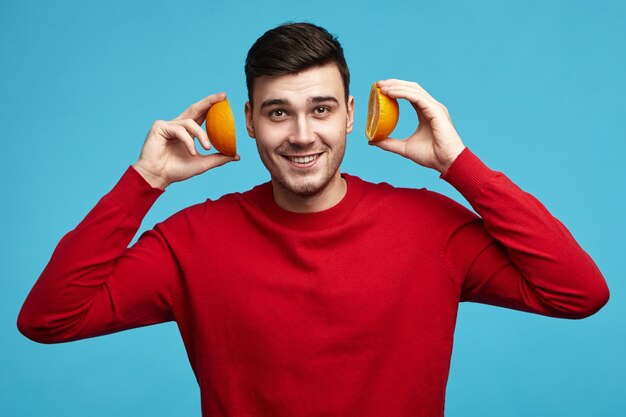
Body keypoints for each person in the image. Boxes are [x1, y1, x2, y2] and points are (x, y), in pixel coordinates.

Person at [18, 22, 609, 417]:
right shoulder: (192, 240)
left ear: (351, 115)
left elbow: (578, 292)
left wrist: (458, 164)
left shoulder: (433, 228)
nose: (302, 135)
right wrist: (143, 183)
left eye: (321, 109)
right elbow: (49, 320)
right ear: (249, 121)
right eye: (279, 112)